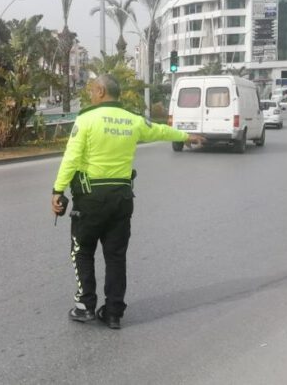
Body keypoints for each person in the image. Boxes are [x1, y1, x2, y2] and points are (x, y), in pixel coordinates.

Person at [51, 74, 204, 329]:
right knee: (115, 256)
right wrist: (185, 136)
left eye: (91, 90)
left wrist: (57, 190)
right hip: (122, 199)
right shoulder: (132, 120)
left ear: (100, 90)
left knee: (83, 251)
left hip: (90, 199)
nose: (90, 94)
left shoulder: (86, 119)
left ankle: (85, 305)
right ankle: (113, 312)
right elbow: (159, 130)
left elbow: (71, 159)